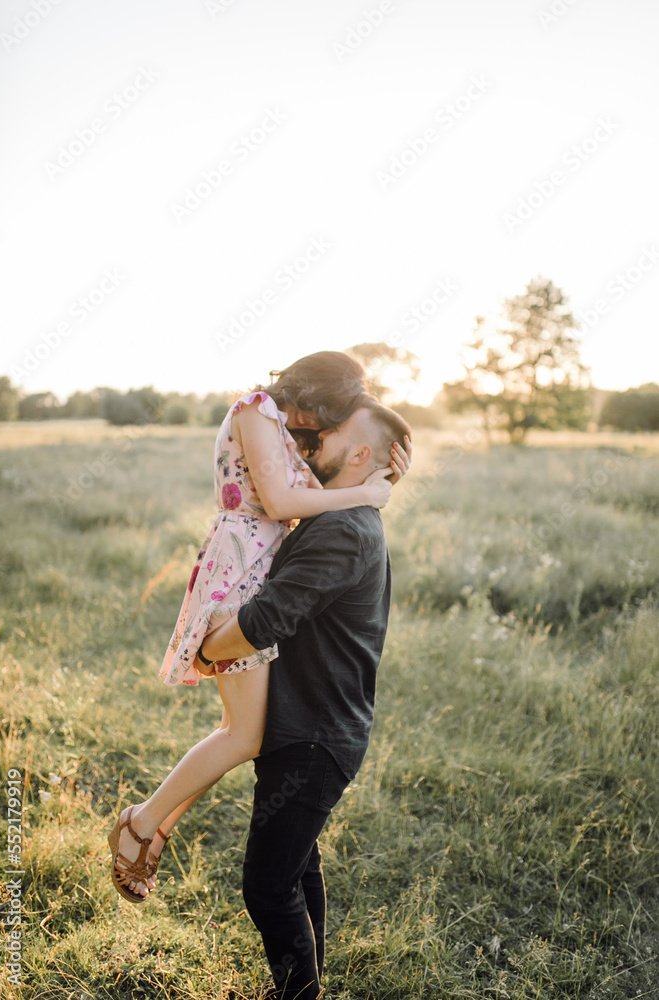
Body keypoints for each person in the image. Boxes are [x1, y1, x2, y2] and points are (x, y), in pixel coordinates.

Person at [108, 352, 411, 903]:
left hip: (257, 560)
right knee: (243, 735)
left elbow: (324, 484)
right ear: (320, 395)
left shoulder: (282, 430)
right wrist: (367, 493)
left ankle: (152, 830)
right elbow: (280, 500)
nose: (330, 427)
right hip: (240, 564)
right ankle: (141, 823)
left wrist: (382, 474)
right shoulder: (255, 409)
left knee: (238, 731)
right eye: (337, 414)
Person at [194, 397, 412, 1000]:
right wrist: (380, 482)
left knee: (267, 885)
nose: (312, 436)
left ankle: (299, 994)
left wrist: (209, 650)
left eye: (332, 430)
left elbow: (267, 619)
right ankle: (303, 985)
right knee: (298, 866)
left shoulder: (343, 528)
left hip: (315, 736)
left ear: (361, 453)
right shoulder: (342, 514)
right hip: (313, 725)